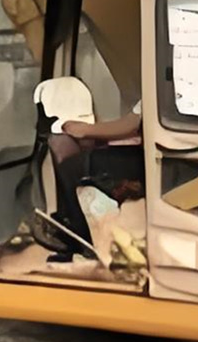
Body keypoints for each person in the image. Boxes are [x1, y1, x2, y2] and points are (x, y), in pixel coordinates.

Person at [33, 78, 142, 261]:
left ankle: (79, 238)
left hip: (148, 160)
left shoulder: (158, 80)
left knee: (71, 167)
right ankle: (69, 228)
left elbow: (131, 125)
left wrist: (85, 130)